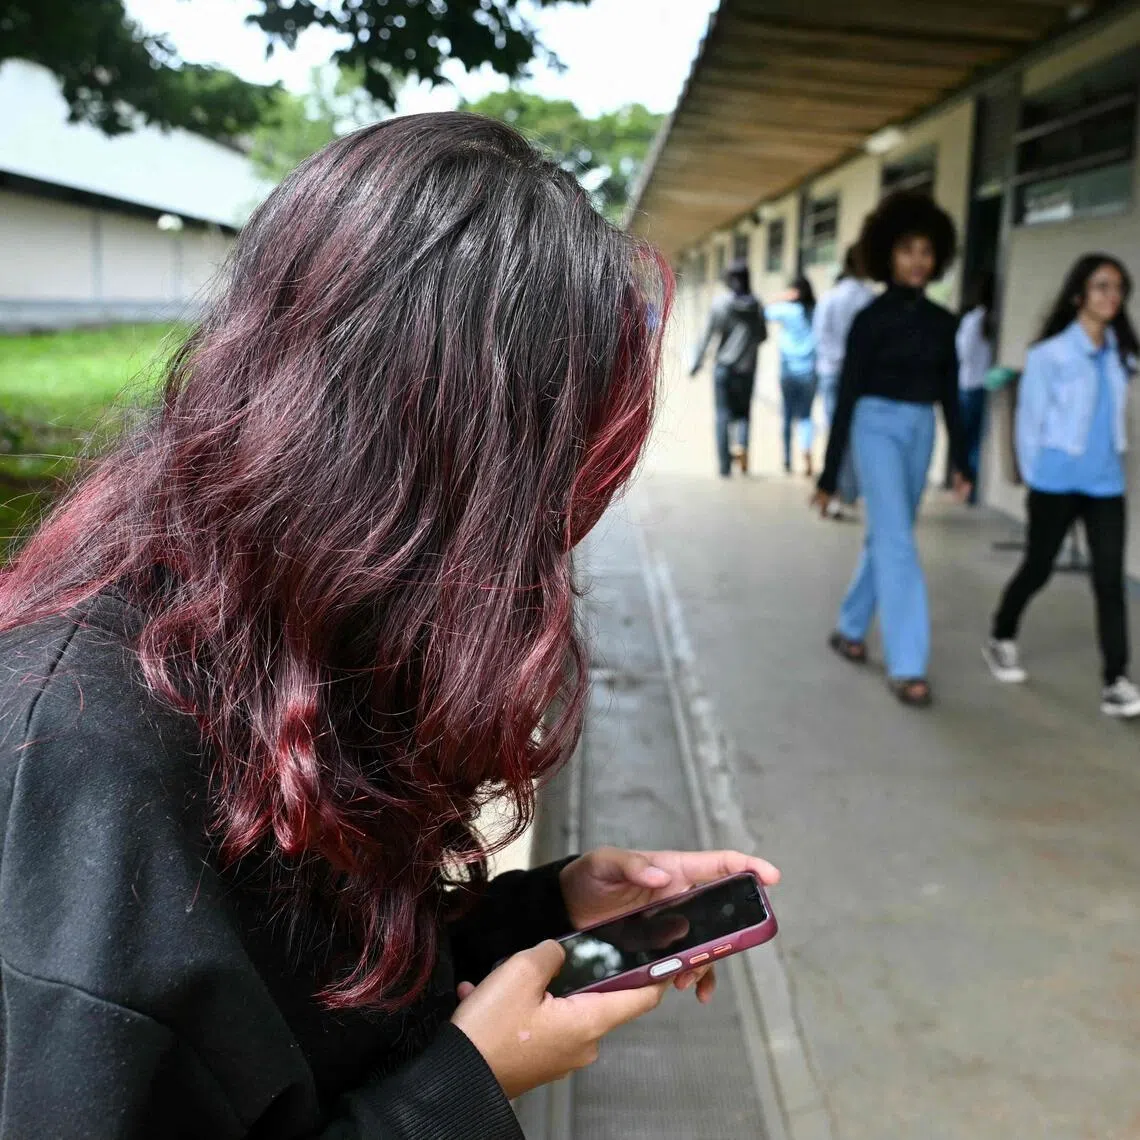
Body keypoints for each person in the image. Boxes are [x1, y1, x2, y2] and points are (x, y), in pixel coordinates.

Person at [0, 113, 781, 1139]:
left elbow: (301, 988)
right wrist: (460, 1088)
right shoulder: (78, 769)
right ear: (427, 470)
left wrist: (541, 917)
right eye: (540, 493)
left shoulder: (295, 631)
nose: (546, 551)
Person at [811, 192, 973, 708]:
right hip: (872, 425)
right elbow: (847, 398)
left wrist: (962, 463)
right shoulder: (868, 320)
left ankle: (850, 628)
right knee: (900, 542)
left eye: (926, 252)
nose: (918, 261)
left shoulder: (945, 323)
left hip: (921, 427)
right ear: (887, 255)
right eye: (907, 250)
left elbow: (950, 396)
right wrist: (829, 475)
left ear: (938, 256)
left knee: (887, 534)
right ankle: (908, 664)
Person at [984, 253, 1140, 719]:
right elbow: (1029, 423)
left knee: (1109, 581)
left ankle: (1115, 679)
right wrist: (1036, 478)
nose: (1112, 296)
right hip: (1055, 481)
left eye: (1118, 289)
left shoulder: (1122, 353)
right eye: (1101, 287)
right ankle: (1001, 635)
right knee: (1038, 567)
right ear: (1078, 295)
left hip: (1105, 483)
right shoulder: (1049, 355)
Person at [812, 246, 875, 514]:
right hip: (861, 377)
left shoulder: (829, 298)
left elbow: (819, 335)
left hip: (831, 371)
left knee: (836, 430)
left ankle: (836, 490)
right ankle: (847, 491)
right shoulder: (870, 300)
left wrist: (831, 360)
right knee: (854, 433)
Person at [690, 260, 767, 476]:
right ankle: (741, 445)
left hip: (724, 369)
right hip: (747, 369)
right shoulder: (757, 305)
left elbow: (707, 335)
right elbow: (762, 336)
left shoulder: (720, 304)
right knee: (743, 414)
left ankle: (724, 467)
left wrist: (697, 363)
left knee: (723, 415)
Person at [767, 277, 819, 476]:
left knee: (788, 416)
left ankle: (787, 460)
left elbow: (763, 309)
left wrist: (782, 296)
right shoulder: (815, 311)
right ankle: (806, 451)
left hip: (788, 373)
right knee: (806, 416)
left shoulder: (786, 311)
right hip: (809, 373)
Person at [955, 272, 996, 505]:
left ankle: (966, 487)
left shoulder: (973, 320)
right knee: (978, 442)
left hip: (968, 385)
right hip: (985, 386)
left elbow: (961, 354)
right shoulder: (994, 320)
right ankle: (973, 488)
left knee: (966, 441)